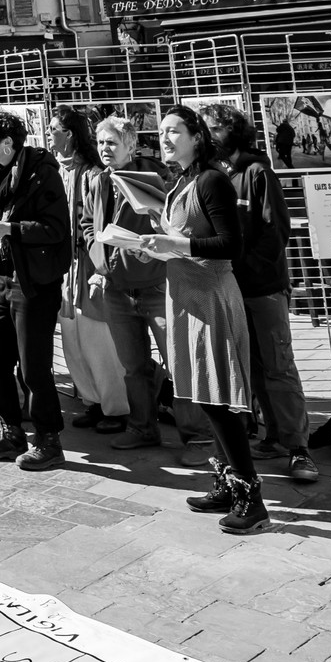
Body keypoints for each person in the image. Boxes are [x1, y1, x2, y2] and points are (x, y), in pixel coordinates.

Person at [140, 106, 268, 535]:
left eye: (174, 131)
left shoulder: (211, 180)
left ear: (197, 136)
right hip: (186, 296)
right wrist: (156, 247)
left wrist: (172, 242)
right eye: (161, 132)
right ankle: (226, 484)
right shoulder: (182, 182)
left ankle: (252, 500)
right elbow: (185, 242)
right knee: (203, 394)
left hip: (211, 296)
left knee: (217, 398)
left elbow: (230, 244)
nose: (165, 138)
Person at [202, 103, 315, 485]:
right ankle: (271, 437)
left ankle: (299, 449)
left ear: (232, 131)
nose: (208, 135)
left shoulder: (257, 172)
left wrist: (243, 269)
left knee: (278, 367)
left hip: (262, 290)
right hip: (228, 290)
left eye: (213, 129)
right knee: (249, 369)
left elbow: (275, 232)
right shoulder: (213, 174)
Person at [84, 116, 210, 458]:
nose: (105, 149)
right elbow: (88, 224)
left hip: (157, 286)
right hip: (116, 288)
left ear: (130, 145)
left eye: (112, 142)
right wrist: (98, 257)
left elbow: (174, 226)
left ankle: (198, 438)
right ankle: (142, 427)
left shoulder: (156, 179)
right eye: (101, 143)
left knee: (179, 362)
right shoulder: (97, 181)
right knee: (133, 367)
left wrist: (151, 252)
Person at [0, 109, 71, 470]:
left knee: (33, 369)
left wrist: (11, 229)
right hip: (1, 277)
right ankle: (10, 431)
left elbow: (56, 229)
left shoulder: (42, 174)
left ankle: (48, 440)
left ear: (7, 144)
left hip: (34, 282)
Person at [50, 108, 129, 435]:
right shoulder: (57, 170)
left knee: (98, 341)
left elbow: (96, 225)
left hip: (89, 267)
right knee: (72, 339)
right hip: (64, 269)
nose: (49, 133)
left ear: (69, 134)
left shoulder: (94, 173)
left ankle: (116, 408)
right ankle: (92, 401)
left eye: (53, 128)